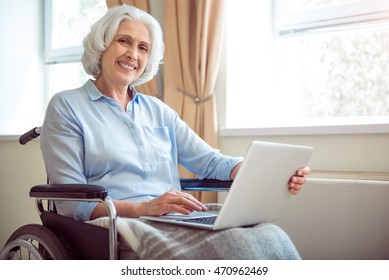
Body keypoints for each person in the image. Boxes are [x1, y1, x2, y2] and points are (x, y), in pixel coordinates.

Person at [40, 5, 311, 223]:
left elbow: (209, 161)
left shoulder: (159, 111)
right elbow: (71, 203)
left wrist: (263, 172)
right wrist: (144, 208)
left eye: (143, 47)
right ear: (101, 46)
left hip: (172, 219)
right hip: (115, 225)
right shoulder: (67, 106)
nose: (133, 54)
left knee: (265, 236)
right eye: (124, 41)